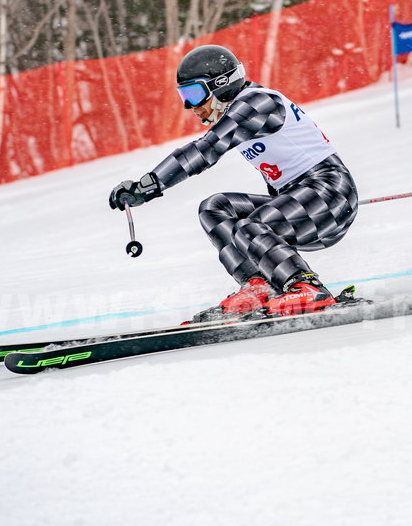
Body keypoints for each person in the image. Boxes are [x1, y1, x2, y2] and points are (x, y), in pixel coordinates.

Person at [109, 44, 359, 321]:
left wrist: (149, 184)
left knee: (251, 226)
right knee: (215, 208)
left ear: (221, 85)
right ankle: (258, 286)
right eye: (183, 96)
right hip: (303, 199)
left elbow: (206, 149)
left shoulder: (256, 103)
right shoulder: (241, 111)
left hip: (330, 194)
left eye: (194, 94)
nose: (189, 106)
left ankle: (307, 288)